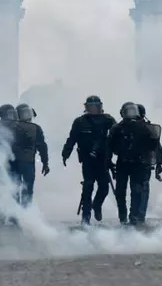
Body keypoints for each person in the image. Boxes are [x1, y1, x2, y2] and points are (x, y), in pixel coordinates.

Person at [62, 95, 116, 225]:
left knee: (104, 187)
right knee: (88, 187)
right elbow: (72, 138)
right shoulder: (80, 122)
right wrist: (66, 153)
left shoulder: (107, 120)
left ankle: (96, 205)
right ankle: (85, 217)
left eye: (95, 106)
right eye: (91, 107)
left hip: (103, 159)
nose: (93, 109)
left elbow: (117, 134)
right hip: (87, 160)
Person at [107, 102, 160, 227]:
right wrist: (108, 162)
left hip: (139, 164)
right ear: (123, 113)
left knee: (136, 191)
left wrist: (157, 163)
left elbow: (154, 146)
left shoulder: (144, 127)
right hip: (123, 163)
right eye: (128, 111)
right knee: (120, 192)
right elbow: (109, 146)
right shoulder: (117, 128)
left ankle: (134, 217)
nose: (131, 114)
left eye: (133, 111)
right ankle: (123, 216)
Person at [5, 103, 49, 209]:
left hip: (13, 162)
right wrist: (45, 163)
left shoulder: (10, 127)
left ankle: (15, 212)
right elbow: (42, 147)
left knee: (14, 188)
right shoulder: (35, 128)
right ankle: (26, 212)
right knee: (27, 189)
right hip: (27, 163)